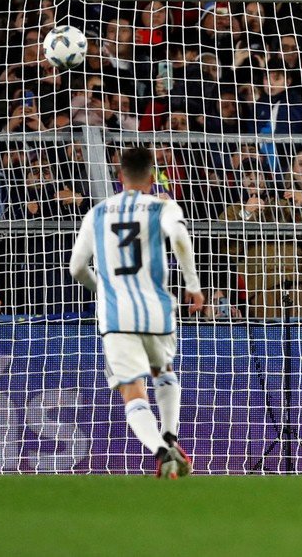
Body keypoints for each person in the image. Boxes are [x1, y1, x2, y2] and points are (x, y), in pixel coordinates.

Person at [68, 146, 204, 479]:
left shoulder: (97, 213)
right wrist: (193, 285)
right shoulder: (163, 206)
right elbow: (181, 239)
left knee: (132, 389)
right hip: (157, 309)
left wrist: (101, 288)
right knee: (163, 370)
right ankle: (171, 434)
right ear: (153, 175)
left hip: (115, 317)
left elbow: (75, 268)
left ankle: (161, 450)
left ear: (120, 177)